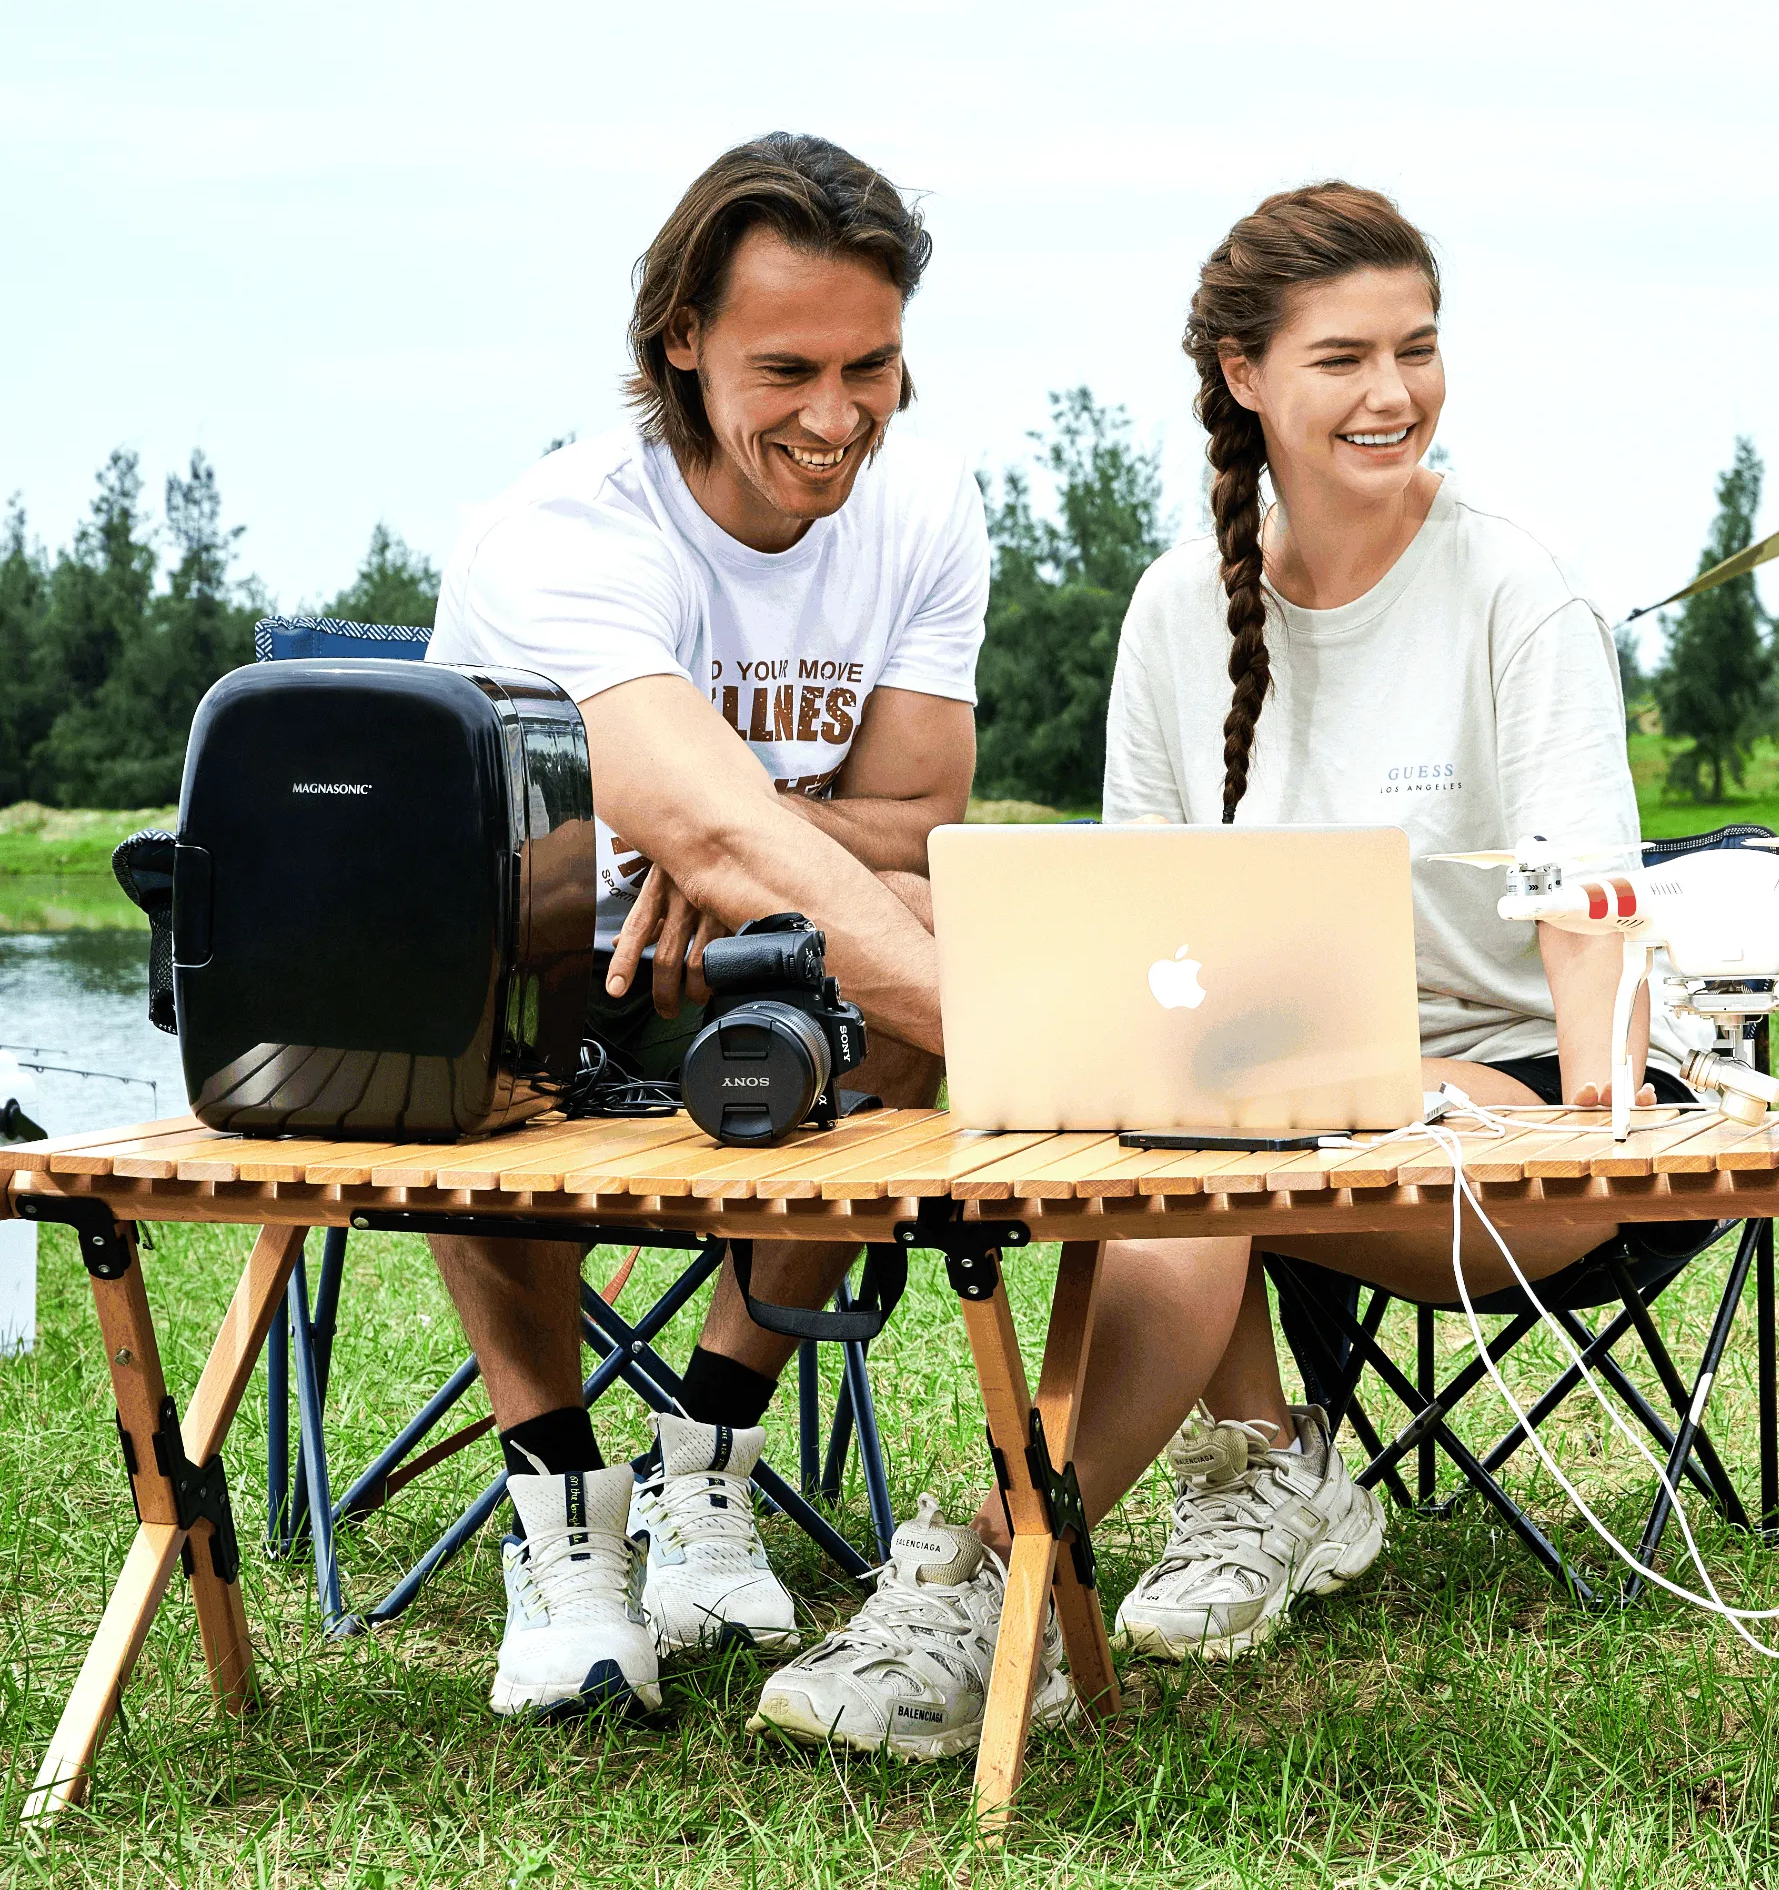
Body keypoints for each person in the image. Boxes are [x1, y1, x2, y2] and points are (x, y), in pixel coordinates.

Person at [757, 180, 1673, 1755]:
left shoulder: (1519, 594)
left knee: (1227, 1126)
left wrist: (1595, 1112)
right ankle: (1245, 1474)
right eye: (1343, 357)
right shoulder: (1181, 610)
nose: (1392, 393)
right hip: (1251, 1110)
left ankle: (1002, 1578)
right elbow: (1144, 927)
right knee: (1210, 1114)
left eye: (1417, 348)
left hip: (1517, 1129)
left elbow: (1595, 920)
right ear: (1248, 376)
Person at [423, 133, 984, 1725]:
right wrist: (726, 831)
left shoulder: (927, 510)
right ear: (682, 339)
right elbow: (715, 821)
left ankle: (708, 1456)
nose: (836, 417)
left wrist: (733, 836)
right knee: (462, 992)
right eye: (786, 368)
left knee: (913, 925)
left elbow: (919, 815)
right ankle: (561, 1523)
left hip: (760, 968)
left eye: (871, 365)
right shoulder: (561, 531)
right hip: (534, 972)